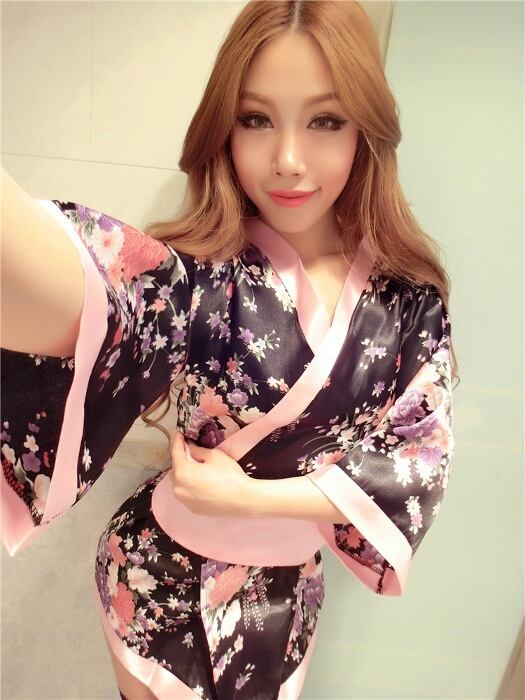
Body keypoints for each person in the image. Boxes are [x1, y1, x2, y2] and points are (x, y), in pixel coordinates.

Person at [1, 2, 459, 698]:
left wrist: (247, 497)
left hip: (285, 598)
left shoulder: (409, 304)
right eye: (255, 119)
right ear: (225, 128)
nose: (287, 160)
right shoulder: (197, 276)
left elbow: (417, 462)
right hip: (155, 574)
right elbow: (101, 292)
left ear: (365, 129)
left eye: (325, 121)